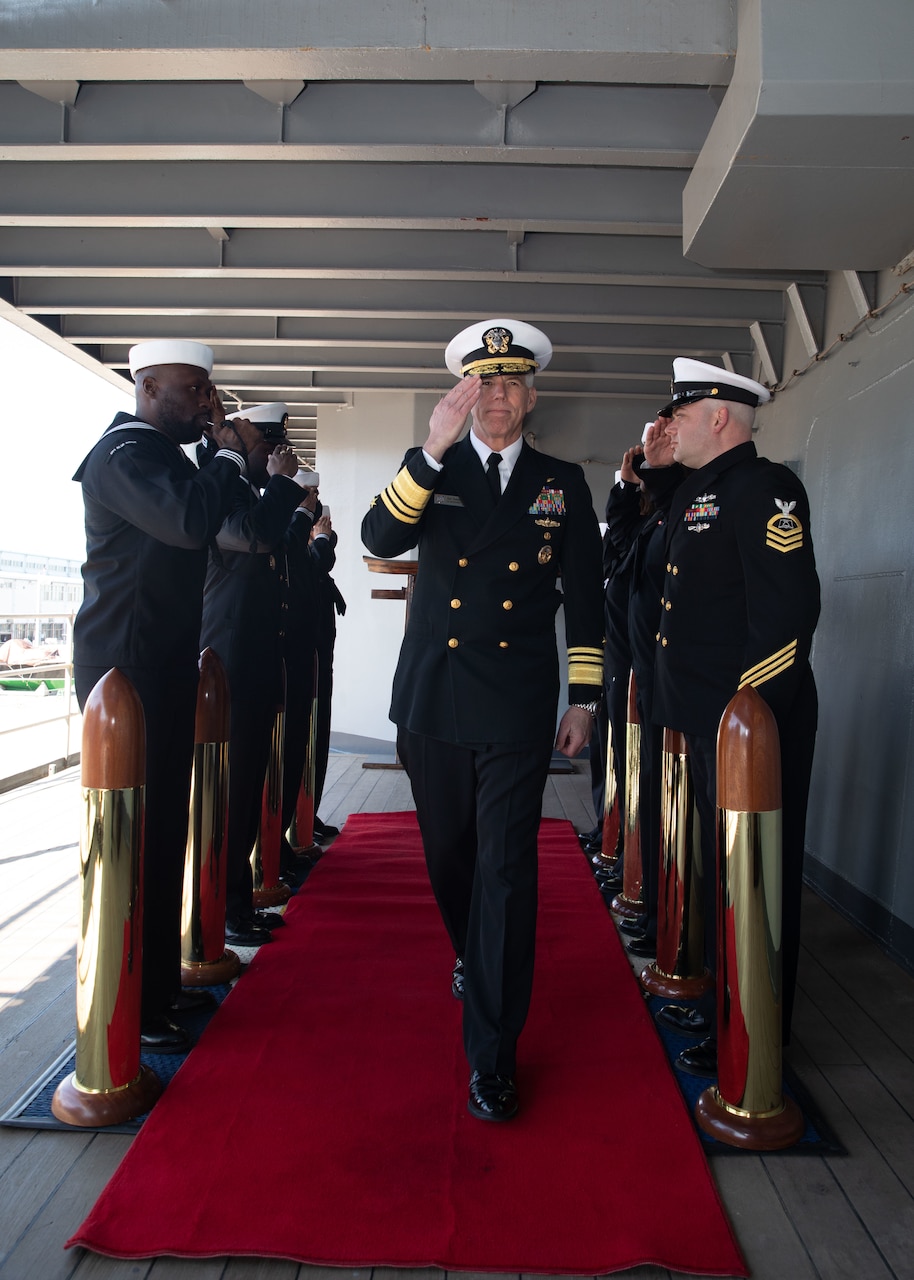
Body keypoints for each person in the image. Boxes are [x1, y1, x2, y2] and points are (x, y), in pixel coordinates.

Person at [361, 318, 604, 1122]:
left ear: (531, 397)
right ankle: (471, 948)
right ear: (465, 395)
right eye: (483, 384)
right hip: (433, 697)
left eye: (510, 384)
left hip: (515, 704)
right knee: (450, 854)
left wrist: (584, 696)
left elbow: (586, 595)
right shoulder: (430, 466)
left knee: (506, 870)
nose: (496, 397)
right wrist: (430, 449)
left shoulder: (561, 480)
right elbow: (379, 534)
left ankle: (492, 1055)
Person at [72, 339, 262, 1052]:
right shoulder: (125, 454)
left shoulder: (162, 456)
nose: (208, 403)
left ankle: (155, 990)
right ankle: (131, 1005)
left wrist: (231, 467)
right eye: (194, 390)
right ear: (147, 386)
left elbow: (223, 519)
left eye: (208, 390)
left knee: (160, 840)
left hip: (161, 666)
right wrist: (230, 459)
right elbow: (188, 522)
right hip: (126, 676)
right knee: (134, 842)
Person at [642, 358, 820, 1076]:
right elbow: (666, 572)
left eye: (680, 416)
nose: (668, 425)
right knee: (720, 876)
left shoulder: (766, 489)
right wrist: (657, 476)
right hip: (707, 721)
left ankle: (759, 1031)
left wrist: (744, 711)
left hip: (751, 726)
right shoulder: (702, 492)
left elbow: (787, 618)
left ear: (719, 417)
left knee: (757, 882)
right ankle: (725, 1003)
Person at [199, 402, 304, 947]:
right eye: (270, 446)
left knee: (245, 795)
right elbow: (257, 537)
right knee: (229, 799)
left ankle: (235, 905)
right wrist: (285, 485)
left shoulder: (254, 496)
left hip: (258, 664)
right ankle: (219, 911)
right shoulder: (224, 495)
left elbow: (279, 547)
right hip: (229, 668)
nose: (279, 455)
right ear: (243, 444)